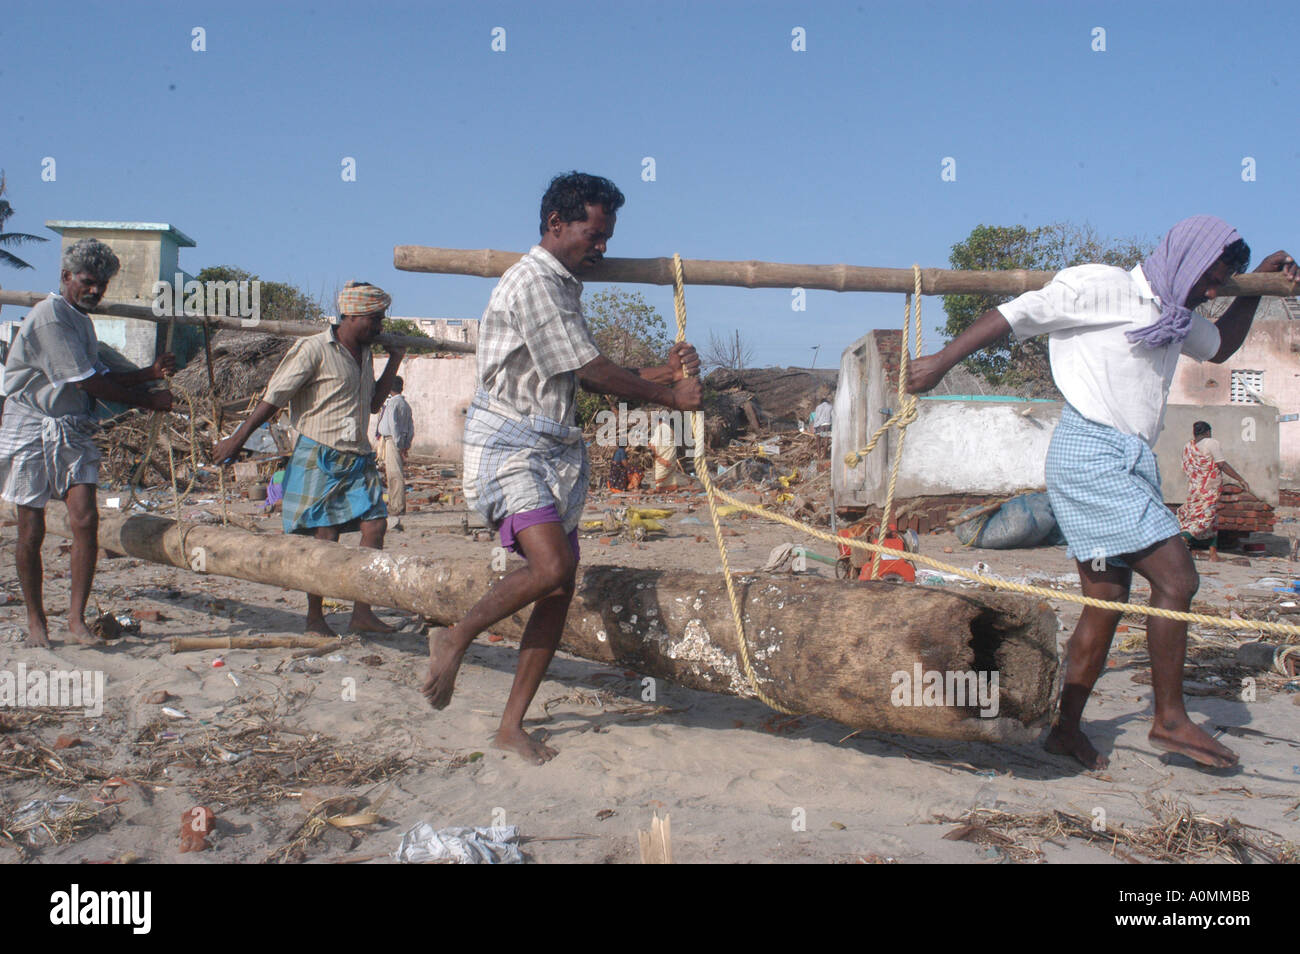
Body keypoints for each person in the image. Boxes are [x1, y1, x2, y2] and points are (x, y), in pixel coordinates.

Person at [907, 215, 1299, 770]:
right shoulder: (1101, 284)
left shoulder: (1173, 314)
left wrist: (1255, 283)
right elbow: (1014, 315)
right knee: (1178, 577)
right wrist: (941, 363)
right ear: (1186, 258)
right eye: (1212, 278)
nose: (1213, 292)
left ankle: (1065, 730)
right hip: (1091, 454)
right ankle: (1169, 719)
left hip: (1132, 460)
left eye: (1222, 284)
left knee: (1106, 601)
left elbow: (1221, 346)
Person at [422, 171, 703, 763]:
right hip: (511, 445)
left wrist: (667, 373)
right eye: (595, 235)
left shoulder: (565, 287)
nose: (602, 248)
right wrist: (671, 396)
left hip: (551, 446)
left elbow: (577, 370)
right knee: (549, 568)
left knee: (560, 584)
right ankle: (457, 633)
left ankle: (510, 725)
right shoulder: (533, 284)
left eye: (606, 237)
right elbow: (593, 372)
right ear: (557, 224)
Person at [0, 238, 175, 646]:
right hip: (31, 426)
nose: (95, 290)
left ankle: (76, 621)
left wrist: (148, 372)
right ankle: (35, 622)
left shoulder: (82, 321)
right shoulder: (50, 319)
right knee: (30, 528)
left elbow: (102, 376)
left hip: (71, 425)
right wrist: (149, 400)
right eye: (88, 282)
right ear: (66, 277)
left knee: (85, 519)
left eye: (102, 284)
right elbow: (90, 382)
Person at [214, 281, 405, 637]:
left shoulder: (365, 353)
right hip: (320, 454)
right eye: (374, 319)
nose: (379, 326)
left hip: (358, 456)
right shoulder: (313, 349)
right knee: (325, 536)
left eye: (380, 319)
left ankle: (361, 612)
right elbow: (273, 397)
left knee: (375, 528)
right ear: (350, 315)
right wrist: (236, 440)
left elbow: (375, 404)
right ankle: (315, 617)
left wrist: (394, 359)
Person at [1177, 421, 1250, 561]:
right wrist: (1240, 479)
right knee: (1204, 519)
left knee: (1212, 520)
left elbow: (1186, 467)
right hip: (1209, 489)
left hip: (1194, 488)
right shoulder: (1211, 443)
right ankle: (1182, 541)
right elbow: (1221, 463)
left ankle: (1213, 554)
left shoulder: (1188, 446)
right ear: (1208, 432)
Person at [375, 375, 414, 531]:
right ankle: (395, 504)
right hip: (397, 441)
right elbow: (411, 427)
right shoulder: (405, 404)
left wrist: (398, 443)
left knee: (394, 474)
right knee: (394, 473)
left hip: (392, 440)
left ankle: (396, 506)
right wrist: (406, 444)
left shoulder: (393, 405)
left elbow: (393, 425)